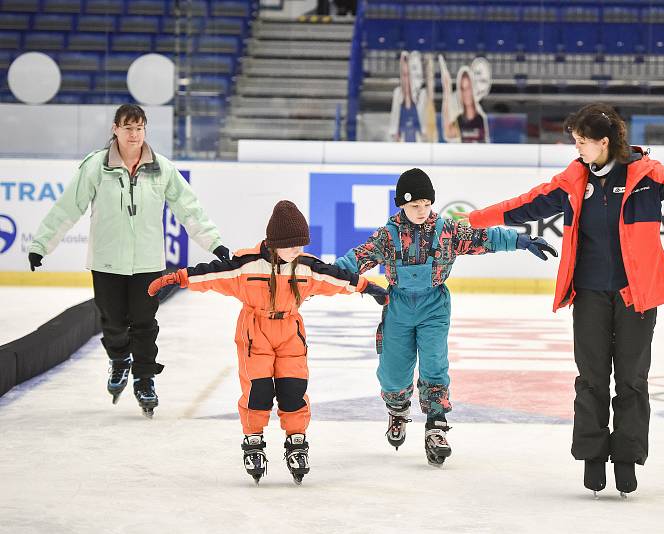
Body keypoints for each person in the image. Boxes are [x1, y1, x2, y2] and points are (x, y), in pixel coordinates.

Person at [459, 103, 664, 496]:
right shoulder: (573, 178)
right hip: (589, 294)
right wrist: (470, 220)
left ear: (604, 142)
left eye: (581, 142)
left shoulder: (647, 176)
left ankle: (628, 458)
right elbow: (524, 205)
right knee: (592, 379)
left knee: (632, 380)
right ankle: (593, 455)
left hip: (637, 294)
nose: (576, 149)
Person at [146, 200, 389, 485]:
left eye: (302, 245)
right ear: (275, 244)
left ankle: (296, 441)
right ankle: (253, 441)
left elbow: (335, 277)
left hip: (290, 333)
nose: (299, 251)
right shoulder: (247, 266)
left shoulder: (305, 267)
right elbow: (212, 273)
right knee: (257, 389)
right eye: (293, 246)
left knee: (294, 388)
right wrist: (178, 278)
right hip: (255, 333)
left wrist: (366, 287)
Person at [334, 168, 556, 466]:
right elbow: (354, 260)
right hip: (398, 305)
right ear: (401, 204)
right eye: (414, 206)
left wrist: (521, 241)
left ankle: (436, 425)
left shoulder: (447, 230)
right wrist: (326, 277)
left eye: (426, 204)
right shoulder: (387, 237)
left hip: (434, 306)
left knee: (435, 363)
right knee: (393, 370)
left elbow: (484, 237)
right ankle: (398, 410)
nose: (421, 211)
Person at [27, 104, 229, 418]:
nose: (133, 134)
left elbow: (190, 210)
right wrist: (42, 245)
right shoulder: (97, 166)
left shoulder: (162, 168)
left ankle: (145, 378)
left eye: (139, 128)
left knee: (145, 323)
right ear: (115, 129)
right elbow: (68, 208)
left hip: (148, 263)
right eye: (127, 127)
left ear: (145, 131)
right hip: (107, 261)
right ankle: (120, 359)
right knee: (113, 321)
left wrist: (214, 243)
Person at [442, 66, 489, 143]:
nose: (466, 93)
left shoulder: (480, 119)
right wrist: (447, 91)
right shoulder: (460, 120)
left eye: (468, 88)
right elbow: (448, 133)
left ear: (472, 89)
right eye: (463, 89)